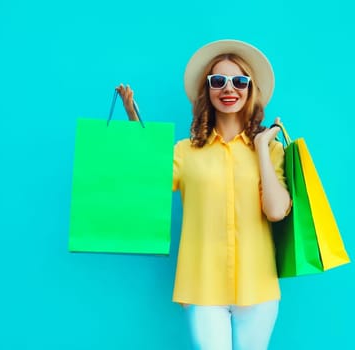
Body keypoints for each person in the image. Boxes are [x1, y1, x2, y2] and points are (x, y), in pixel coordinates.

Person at [116, 39, 291, 350]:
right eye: (218, 81)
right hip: (202, 286)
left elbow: (276, 211)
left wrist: (262, 148)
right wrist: (132, 122)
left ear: (250, 89)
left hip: (259, 286)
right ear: (207, 90)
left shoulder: (272, 149)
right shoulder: (185, 152)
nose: (229, 88)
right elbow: (146, 181)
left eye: (239, 80)